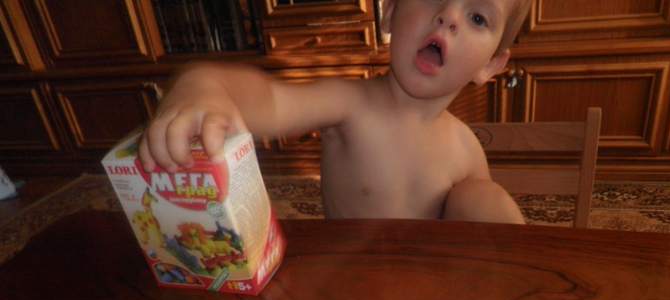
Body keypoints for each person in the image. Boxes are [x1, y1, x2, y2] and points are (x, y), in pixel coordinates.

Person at [139, 0, 534, 224]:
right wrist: (204, 84)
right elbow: (270, 100)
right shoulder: (350, 103)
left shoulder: (467, 150)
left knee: (485, 197)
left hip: (430, 296)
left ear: (490, 65)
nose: (449, 15)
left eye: (478, 17)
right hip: (349, 291)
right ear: (390, 12)